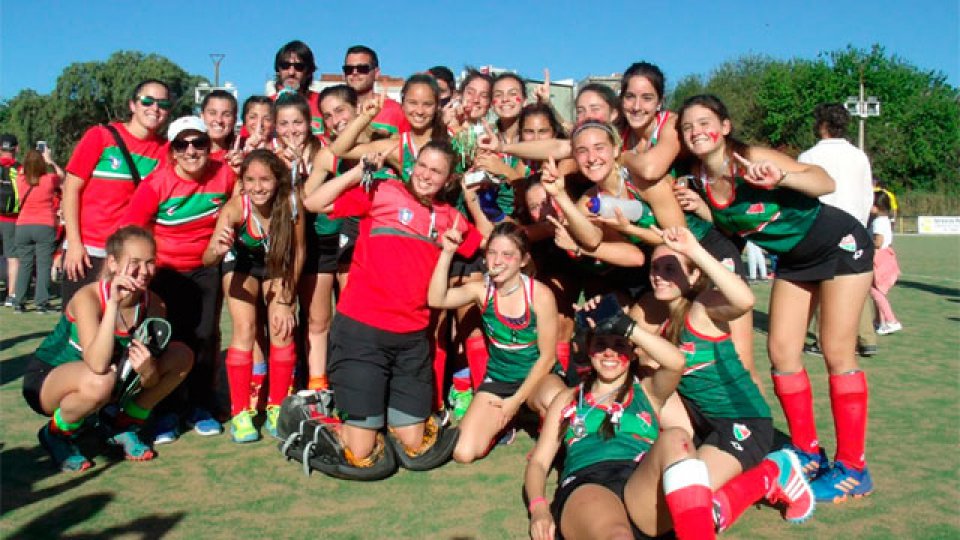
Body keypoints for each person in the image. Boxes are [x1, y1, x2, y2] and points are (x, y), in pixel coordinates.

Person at [676, 94, 875, 503]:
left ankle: (853, 468)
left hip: (839, 244)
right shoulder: (699, 179)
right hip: (796, 260)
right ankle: (807, 452)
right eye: (688, 126)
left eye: (704, 122)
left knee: (838, 353)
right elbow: (740, 220)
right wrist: (703, 209)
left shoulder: (751, 157)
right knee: (783, 354)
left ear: (725, 127)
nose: (697, 131)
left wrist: (780, 177)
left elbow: (825, 182)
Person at [525, 295, 813, 540]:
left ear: (633, 352)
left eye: (620, 344)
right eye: (601, 344)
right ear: (589, 350)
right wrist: (539, 507)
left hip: (641, 482)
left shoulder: (647, 391)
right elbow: (539, 461)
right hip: (588, 482)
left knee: (676, 438)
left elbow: (676, 361)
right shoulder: (569, 398)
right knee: (618, 536)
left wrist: (627, 325)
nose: (610, 352)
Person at [302, 141, 482, 479]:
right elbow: (314, 202)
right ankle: (305, 416)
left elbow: (485, 242)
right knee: (364, 455)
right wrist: (360, 171)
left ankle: (377, 418)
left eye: (437, 171)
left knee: (415, 447)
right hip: (361, 333)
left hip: (412, 341)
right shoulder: (382, 190)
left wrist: (473, 196)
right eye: (423, 166)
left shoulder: (451, 217)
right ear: (413, 165)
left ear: (448, 179)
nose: (427, 175)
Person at [22, 226, 194, 471]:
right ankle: (56, 433)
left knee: (181, 356)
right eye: (134, 262)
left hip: (107, 379)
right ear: (113, 263)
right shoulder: (88, 298)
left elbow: (148, 381)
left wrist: (147, 371)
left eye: (150, 263)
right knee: (101, 380)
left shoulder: (154, 304)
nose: (144, 271)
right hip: (48, 378)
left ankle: (122, 425)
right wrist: (113, 303)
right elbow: (98, 363)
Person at [123, 116, 237, 443]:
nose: (191, 151)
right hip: (166, 271)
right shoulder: (156, 184)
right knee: (167, 339)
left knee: (203, 337)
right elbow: (131, 229)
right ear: (172, 151)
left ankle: (201, 405)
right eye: (182, 145)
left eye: (198, 142)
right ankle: (166, 411)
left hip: (206, 268)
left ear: (208, 145)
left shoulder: (225, 173)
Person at [428, 222, 566, 462]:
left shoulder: (540, 295)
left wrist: (515, 401)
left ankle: (544, 431)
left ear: (523, 260)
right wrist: (447, 252)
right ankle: (506, 422)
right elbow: (437, 298)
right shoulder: (482, 291)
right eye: (492, 253)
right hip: (499, 380)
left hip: (537, 378)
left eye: (507, 254)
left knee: (557, 401)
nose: (497, 261)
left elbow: (547, 358)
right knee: (463, 453)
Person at [203, 149, 304, 442]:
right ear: (242, 181)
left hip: (276, 266)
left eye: (265, 179)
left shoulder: (292, 203)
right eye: (250, 180)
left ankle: (277, 408)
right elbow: (207, 257)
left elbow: (298, 253)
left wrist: (287, 299)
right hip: (241, 265)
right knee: (245, 329)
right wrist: (216, 250)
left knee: (282, 329)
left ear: (278, 180)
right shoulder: (235, 209)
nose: (258, 187)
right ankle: (240, 413)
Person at [61, 79, 171, 308]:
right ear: (133, 105)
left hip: (130, 257)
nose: (155, 108)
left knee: (120, 328)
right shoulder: (100, 137)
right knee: (78, 325)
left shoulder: (167, 151)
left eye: (163, 103)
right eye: (148, 101)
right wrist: (74, 243)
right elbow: (71, 188)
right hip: (88, 251)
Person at [799, 103, 877, 357]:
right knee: (856, 282)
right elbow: (867, 194)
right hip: (855, 227)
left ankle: (824, 341)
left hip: (822, 226)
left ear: (822, 124)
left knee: (825, 285)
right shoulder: (859, 155)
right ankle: (866, 337)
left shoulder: (810, 155)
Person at [12, 148, 64, 312]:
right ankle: (41, 301)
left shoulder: (21, 180)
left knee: (25, 265)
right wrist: (50, 160)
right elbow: (63, 177)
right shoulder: (49, 180)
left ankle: (19, 301)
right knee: (43, 265)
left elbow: (20, 170)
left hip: (23, 225)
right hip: (44, 225)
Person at [342, 45, 410, 136]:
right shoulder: (335, 111)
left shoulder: (395, 111)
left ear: (376, 73)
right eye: (349, 69)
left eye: (362, 69)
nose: (355, 73)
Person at [271, 40, 323, 135]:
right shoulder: (268, 105)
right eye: (285, 65)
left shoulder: (322, 102)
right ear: (278, 69)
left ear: (309, 71)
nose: (291, 72)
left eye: (299, 67)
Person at [870, 190, 902, 335]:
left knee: (875, 290)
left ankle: (891, 320)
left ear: (876, 206)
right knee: (879, 291)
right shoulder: (885, 220)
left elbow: (878, 241)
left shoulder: (877, 222)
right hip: (886, 255)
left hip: (879, 257)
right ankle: (879, 321)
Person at [1, 134, 22, 306]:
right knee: (12, 257)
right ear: (16, 149)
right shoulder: (21, 169)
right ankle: (12, 294)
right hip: (12, 219)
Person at [200, 90, 238, 161]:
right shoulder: (184, 151)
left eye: (226, 115)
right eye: (212, 113)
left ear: (234, 120)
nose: (219, 120)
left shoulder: (240, 158)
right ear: (202, 116)